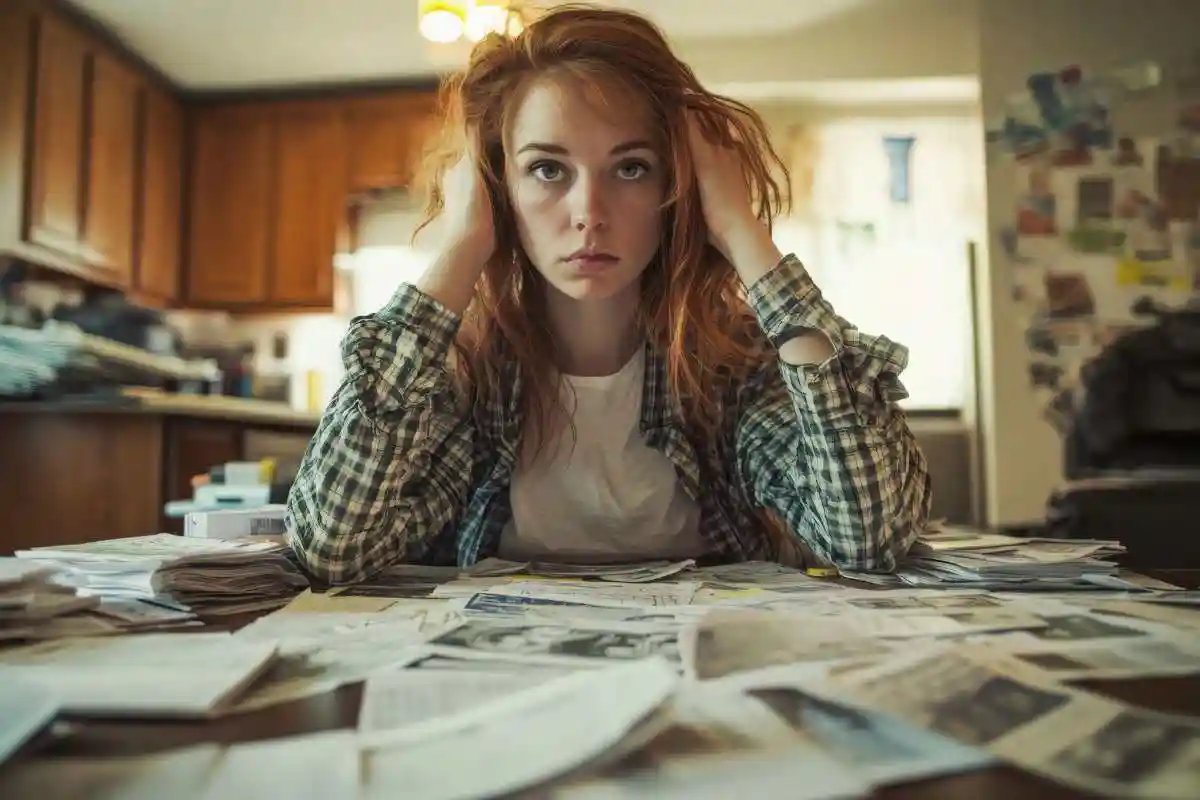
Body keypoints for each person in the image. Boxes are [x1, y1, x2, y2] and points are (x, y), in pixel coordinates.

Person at [286, 5, 932, 585]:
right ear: (496, 189)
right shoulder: (460, 374)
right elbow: (331, 549)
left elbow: (866, 540)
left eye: (630, 168)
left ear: (676, 188)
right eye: (547, 169)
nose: (589, 212)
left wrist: (742, 231)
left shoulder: (734, 369)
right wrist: (458, 252)